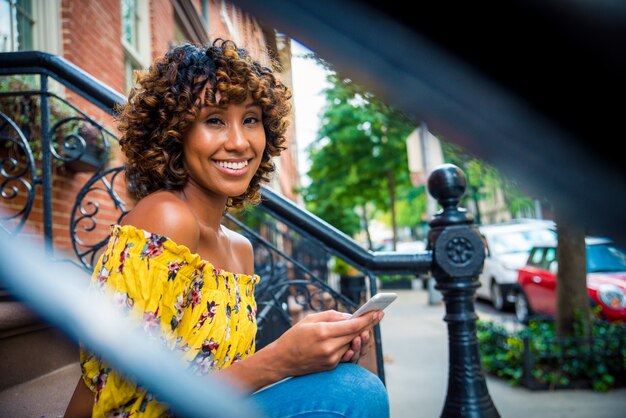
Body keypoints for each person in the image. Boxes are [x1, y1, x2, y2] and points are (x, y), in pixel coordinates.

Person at [63, 39, 389, 418]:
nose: (238, 142)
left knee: (350, 385)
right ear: (175, 133)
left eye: (251, 119)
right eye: (214, 119)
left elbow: (223, 381)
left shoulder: (240, 248)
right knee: (354, 393)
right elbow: (119, 399)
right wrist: (280, 360)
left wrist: (307, 349)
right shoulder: (166, 219)